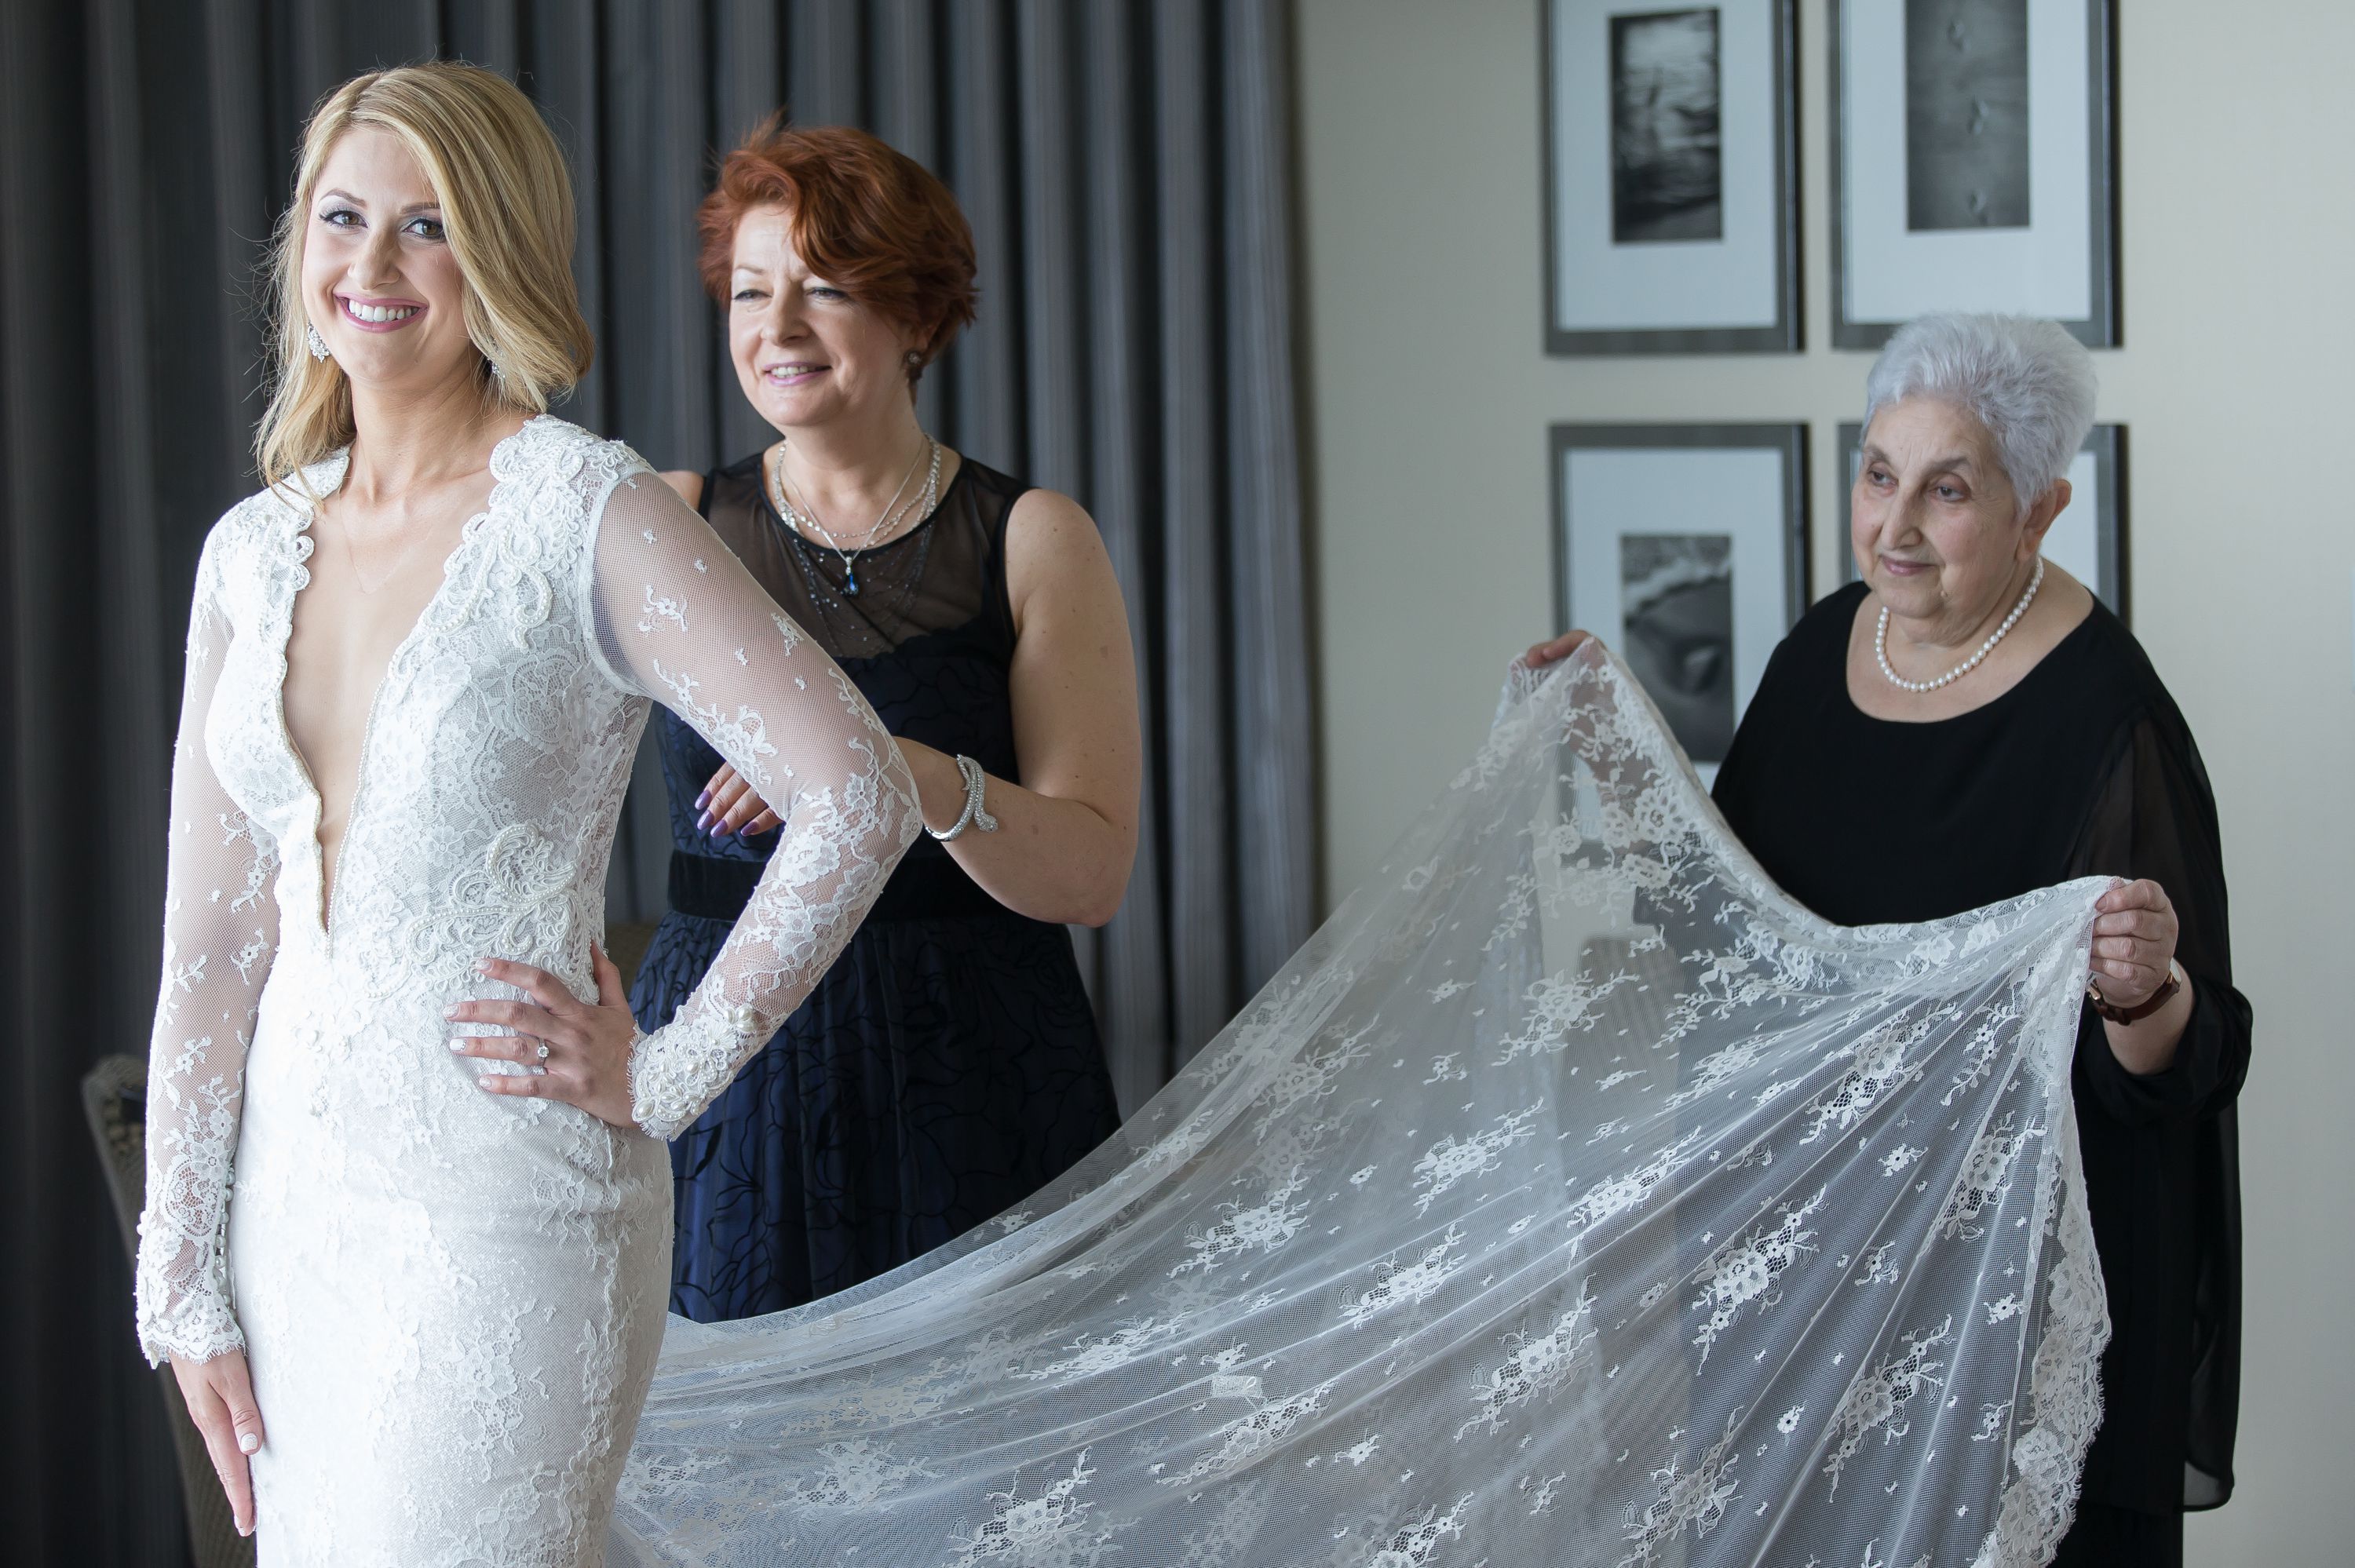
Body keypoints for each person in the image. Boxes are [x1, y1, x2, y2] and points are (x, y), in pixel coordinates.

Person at [131, 64, 917, 1559]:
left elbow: (857, 788)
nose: (371, 266)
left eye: (424, 226)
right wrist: (182, 1286)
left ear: (491, 253)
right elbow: (209, 949)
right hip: (296, 1226)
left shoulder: (587, 509)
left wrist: (670, 1070)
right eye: (343, 216)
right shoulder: (249, 554)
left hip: (507, 1216)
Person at [1526, 312, 2248, 1566]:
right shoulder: (1822, 648)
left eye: (1947, 488)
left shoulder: (2107, 718)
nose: (1895, 525)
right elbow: (1737, 930)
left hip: (1998, 1317)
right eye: (1878, 475)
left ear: (2041, 509)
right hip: (1804, 1271)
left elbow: (2192, 1061)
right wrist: (1622, 747)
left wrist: (2146, 992)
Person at [627, 121, 1136, 1320]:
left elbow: (1093, 871)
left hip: (977, 1062)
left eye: (827, 288)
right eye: (752, 291)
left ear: (917, 318)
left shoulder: (1033, 537)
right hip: (726, 1064)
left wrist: (896, 771)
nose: (778, 328)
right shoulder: (669, 522)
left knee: (992, 1468)